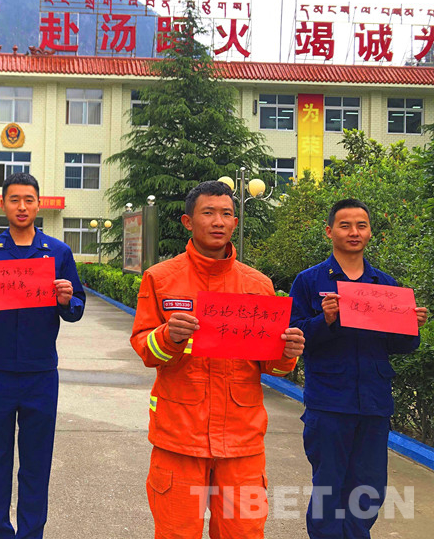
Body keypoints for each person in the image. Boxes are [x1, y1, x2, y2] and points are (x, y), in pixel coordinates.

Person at [130, 180, 305, 539]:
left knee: (244, 532)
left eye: (226, 214)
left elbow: (270, 365)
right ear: (188, 221)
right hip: (179, 437)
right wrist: (168, 336)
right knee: (176, 533)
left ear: (235, 223)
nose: (218, 221)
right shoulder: (160, 279)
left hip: (242, 440)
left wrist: (286, 354)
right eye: (208, 213)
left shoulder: (258, 285)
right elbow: (146, 349)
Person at [0, 172, 85, 539]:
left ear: (39, 204)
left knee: (36, 463)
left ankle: (31, 533)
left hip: (40, 375)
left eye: (29, 199)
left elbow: (76, 307)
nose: (22, 206)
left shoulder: (57, 253)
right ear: (3, 204)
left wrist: (66, 299)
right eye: (14, 199)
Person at [288, 198, 427, 539]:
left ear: (370, 232)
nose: (354, 232)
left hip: (374, 403)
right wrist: (325, 320)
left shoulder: (386, 286)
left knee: (369, 488)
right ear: (329, 231)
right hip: (328, 403)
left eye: (361, 226)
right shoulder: (309, 281)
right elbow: (293, 335)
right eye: (345, 225)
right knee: (329, 487)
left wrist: (412, 326)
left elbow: (401, 347)